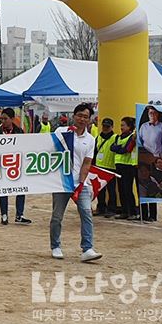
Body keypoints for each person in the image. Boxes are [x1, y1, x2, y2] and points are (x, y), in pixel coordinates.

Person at [50, 103, 102, 262]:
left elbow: (87, 163)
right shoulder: (61, 132)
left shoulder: (90, 139)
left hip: (81, 183)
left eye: (86, 117)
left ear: (89, 120)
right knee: (57, 216)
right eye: (79, 115)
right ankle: (55, 246)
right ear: (74, 116)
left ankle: (87, 248)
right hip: (61, 181)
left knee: (86, 212)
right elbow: (50, 152)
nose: (82, 119)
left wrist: (81, 182)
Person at [0, 108, 32, 225]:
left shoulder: (19, 131)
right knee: (3, 189)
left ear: (12, 119)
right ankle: (3, 214)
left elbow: (25, 147)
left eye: (5, 119)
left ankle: (19, 215)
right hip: (2, 164)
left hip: (16, 165)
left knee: (21, 188)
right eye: (2, 119)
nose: (3, 121)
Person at [111, 117, 139, 220]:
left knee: (128, 190)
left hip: (128, 166)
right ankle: (124, 211)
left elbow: (126, 150)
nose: (121, 127)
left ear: (129, 126)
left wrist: (117, 148)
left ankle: (132, 211)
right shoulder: (119, 137)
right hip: (118, 165)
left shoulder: (132, 137)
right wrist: (118, 148)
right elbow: (112, 148)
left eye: (123, 125)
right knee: (121, 189)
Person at [93, 118, 118, 218]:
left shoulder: (116, 138)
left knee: (111, 190)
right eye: (104, 126)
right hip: (99, 167)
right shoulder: (98, 138)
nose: (105, 128)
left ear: (112, 127)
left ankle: (112, 209)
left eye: (107, 126)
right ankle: (101, 207)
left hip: (111, 167)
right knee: (100, 190)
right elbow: (94, 151)